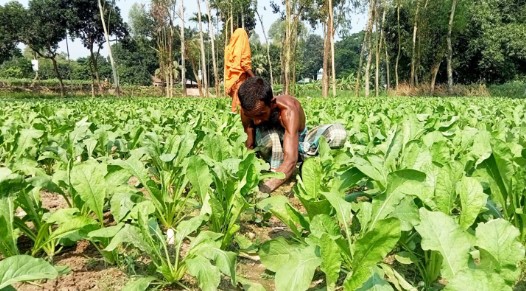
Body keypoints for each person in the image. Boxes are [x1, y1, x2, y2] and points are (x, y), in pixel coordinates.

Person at [238, 76, 347, 193]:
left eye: (260, 114)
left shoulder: (288, 110)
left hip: (298, 142)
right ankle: (274, 170)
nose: (256, 122)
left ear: (272, 103)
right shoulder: (247, 111)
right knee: (273, 137)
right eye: (251, 116)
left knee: (338, 133)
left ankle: (309, 166)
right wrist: (248, 174)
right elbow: (249, 146)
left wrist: (265, 189)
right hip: (268, 148)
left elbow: (290, 159)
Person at [224, 27, 255, 113]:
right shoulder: (242, 45)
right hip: (240, 77)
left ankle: (234, 120)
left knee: (236, 99)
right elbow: (244, 64)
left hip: (232, 79)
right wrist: (254, 77)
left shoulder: (229, 48)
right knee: (239, 103)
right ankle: (237, 121)